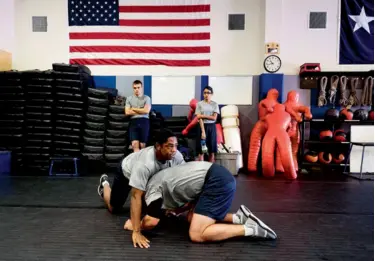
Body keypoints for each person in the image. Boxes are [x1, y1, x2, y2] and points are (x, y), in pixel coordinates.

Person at [123, 161, 277, 243]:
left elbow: (151, 221)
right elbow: (185, 194)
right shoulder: (162, 176)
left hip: (216, 182)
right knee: (191, 218)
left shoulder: (151, 190)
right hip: (216, 175)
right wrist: (174, 211)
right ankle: (238, 217)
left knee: (197, 234)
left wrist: (136, 225)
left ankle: (250, 229)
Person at [97, 129, 185, 248]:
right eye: (169, 146)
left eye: (175, 146)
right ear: (158, 146)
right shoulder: (145, 164)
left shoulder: (176, 156)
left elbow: (182, 179)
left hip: (151, 179)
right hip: (126, 171)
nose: (174, 150)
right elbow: (135, 195)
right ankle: (104, 185)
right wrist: (137, 231)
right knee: (114, 208)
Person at [125, 80, 151, 152]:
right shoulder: (129, 98)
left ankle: (143, 162)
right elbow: (127, 112)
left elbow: (146, 111)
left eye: (138, 87)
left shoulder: (147, 98)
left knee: (143, 145)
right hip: (133, 122)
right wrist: (141, 110)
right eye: (135, 88)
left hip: (144, 121)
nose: (137, 89)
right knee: (134, 144)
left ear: (142, 87)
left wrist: (133, 108)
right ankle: (136, 162)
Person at [195, 86, 220, 162]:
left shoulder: (215, 104)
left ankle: (211, 171)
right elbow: (199, 118)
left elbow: (214, 118)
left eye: (208, 93)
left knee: (212, 151)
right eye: (205, 93)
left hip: (212, 127)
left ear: (211, 94)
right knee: (201, 151)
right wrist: (203, 131)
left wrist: (202, 115)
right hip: (202, 126)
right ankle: (202, 171)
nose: (206, 94)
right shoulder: (199, 104)